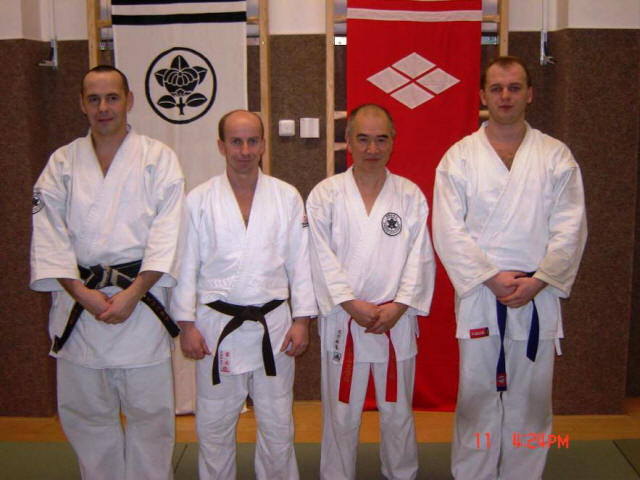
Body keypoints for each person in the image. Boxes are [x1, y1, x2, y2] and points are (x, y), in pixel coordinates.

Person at [432, 56, 588, 480]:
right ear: (482, 96)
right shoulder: (459, 157)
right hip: (482, 294)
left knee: (531, 402)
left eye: (514, 88)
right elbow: (447, 228)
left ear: (529, 94)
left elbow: (570, 227)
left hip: (538, 294)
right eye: (496, 88)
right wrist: (489, 277)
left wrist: (540, 280)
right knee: (476, 399)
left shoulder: (555, 156)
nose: (505, 96)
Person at [30, 65, 184, 480]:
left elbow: (168, 235)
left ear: (129, 101)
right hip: (81, 308)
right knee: (87, 418)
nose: (104, 108)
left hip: (141, 306)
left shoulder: (158, 159)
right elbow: (49, 236)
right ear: (82, 104)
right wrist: (82, 293)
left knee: (150, 419)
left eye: (112, 98)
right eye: (94, 99)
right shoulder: (62, 163)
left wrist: (133, 294)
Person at [170, 110, 317, 480]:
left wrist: (302, 320)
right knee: (214, 426)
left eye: (253, 141)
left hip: (274, 325)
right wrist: (186, 324)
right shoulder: (198, 200)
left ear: (264, 144)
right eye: (236, 142)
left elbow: (300, 263)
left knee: (278, 425)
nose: (245, 150)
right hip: (217, 327)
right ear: (221, 146)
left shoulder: (286, 197)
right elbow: (186, 264)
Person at [306, 104, 436, 480]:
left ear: (393, 142)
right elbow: (317, 255)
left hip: (394, 319)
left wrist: (400, 304)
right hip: (344, 319)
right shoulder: (325, 195)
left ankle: (402, 473)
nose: (372, 149)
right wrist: (349, 302)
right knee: (341, 412)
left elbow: (420, 257)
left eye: (381, 139)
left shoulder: (409, 195)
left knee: (398, 411)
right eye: (362, 139)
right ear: (348, 142)